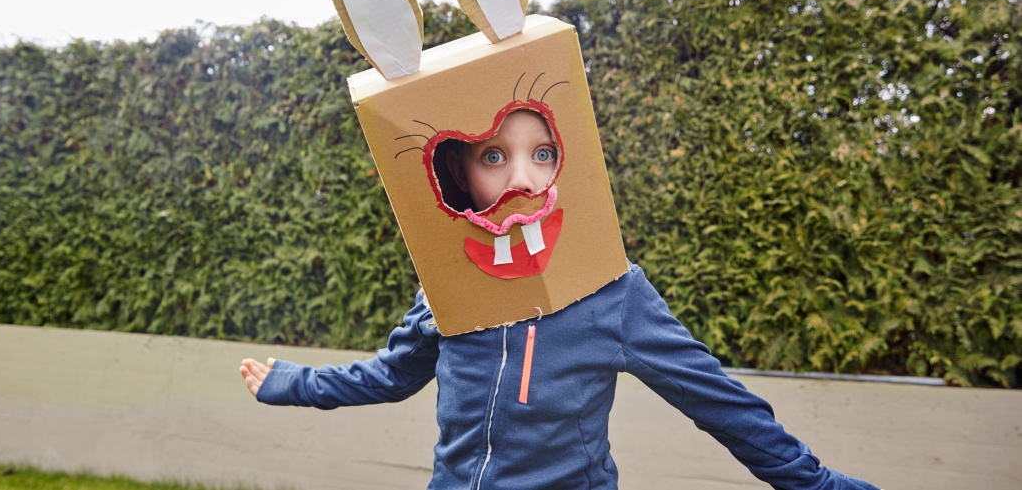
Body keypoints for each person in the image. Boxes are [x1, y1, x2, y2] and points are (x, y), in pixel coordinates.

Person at [239, 109, 880, 490]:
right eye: (495, 155)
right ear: (459, 171)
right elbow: (393, 373)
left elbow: (719, 402)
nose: (523, 177)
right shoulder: (445, 285)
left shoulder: (612, 290)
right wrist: (294, 383)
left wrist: (816, 484)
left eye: (542, 153)